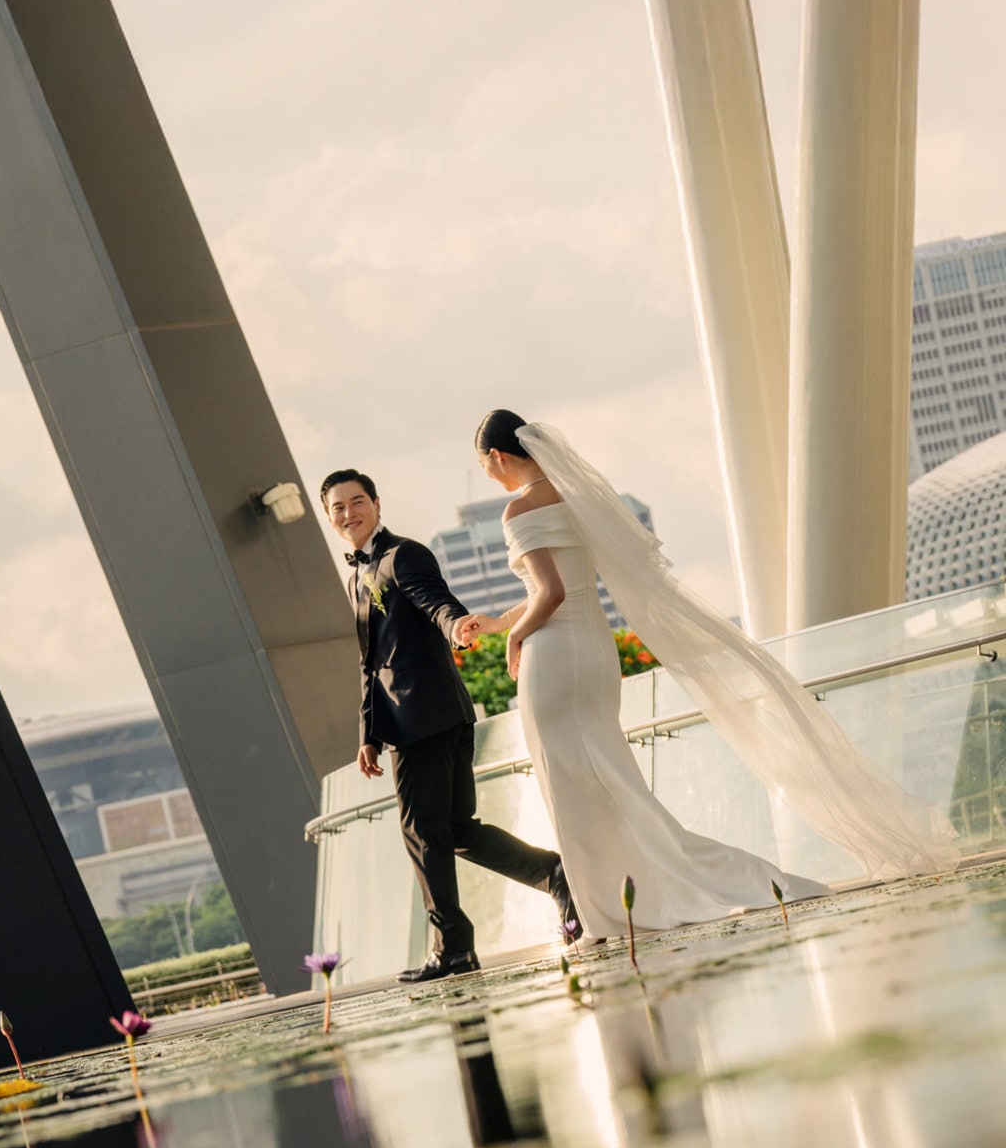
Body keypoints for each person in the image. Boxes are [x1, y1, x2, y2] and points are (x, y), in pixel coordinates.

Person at [468, 411, 960, 939]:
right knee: (616, 785)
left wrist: (516, 637)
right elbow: (563, 589)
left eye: (485, 467)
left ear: (497, 457)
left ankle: (608, 913)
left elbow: (549, 594)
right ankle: (628, 902)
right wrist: (502, 623)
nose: (491, 476)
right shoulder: (574, 496)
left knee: (574, 792)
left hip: (554, 662)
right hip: (592, 651)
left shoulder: (519, 509)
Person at [320, 467, 579, 981]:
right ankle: (553, 873)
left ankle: (453, 948)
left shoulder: (403, 555)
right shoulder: (356, 574)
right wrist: (368, 734)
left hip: (424, 717)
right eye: (338, 508)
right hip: (427, 717)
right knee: (456, 830)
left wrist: (458, 625)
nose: (349, 514)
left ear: (376, 502)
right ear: (331, 518)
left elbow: (433, 601)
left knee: (421, 832)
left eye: (357, 502)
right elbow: (371, 662)